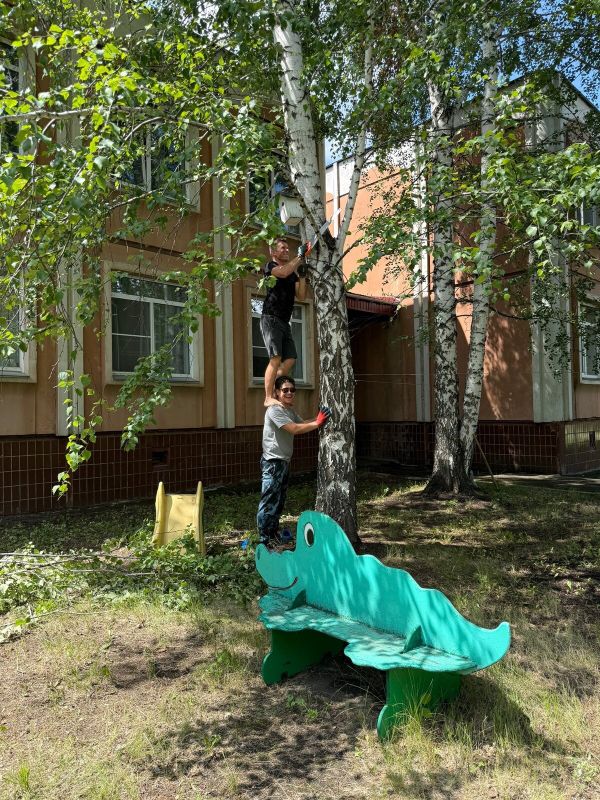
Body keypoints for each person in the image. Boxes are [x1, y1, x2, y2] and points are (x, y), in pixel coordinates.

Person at [257, 375, 330, 547]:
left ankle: (273, 534)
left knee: (278, 501)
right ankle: (264, 541)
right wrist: (318, 423)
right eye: (285, 390)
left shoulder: (288, 411)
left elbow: (302, 423)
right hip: (273, 463)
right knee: (269, 502)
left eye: (292, 390)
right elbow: (294, 429)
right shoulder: (275, 410)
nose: (289, 393)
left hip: (283, 462)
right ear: (277, 392)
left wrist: (319, 417)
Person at [260, 237, 312, 406]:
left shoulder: (292, 274)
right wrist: (300, 256)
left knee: (290, 358)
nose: (286, 250)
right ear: (273, 251)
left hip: (284, 321)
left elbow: (301, 296)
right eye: (282, 248)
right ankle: (268, 397)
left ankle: (275, 386)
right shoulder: (270, 266)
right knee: (276, 358)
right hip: (271, 318)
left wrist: (302, 276)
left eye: (288, 248)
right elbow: (283, 272)